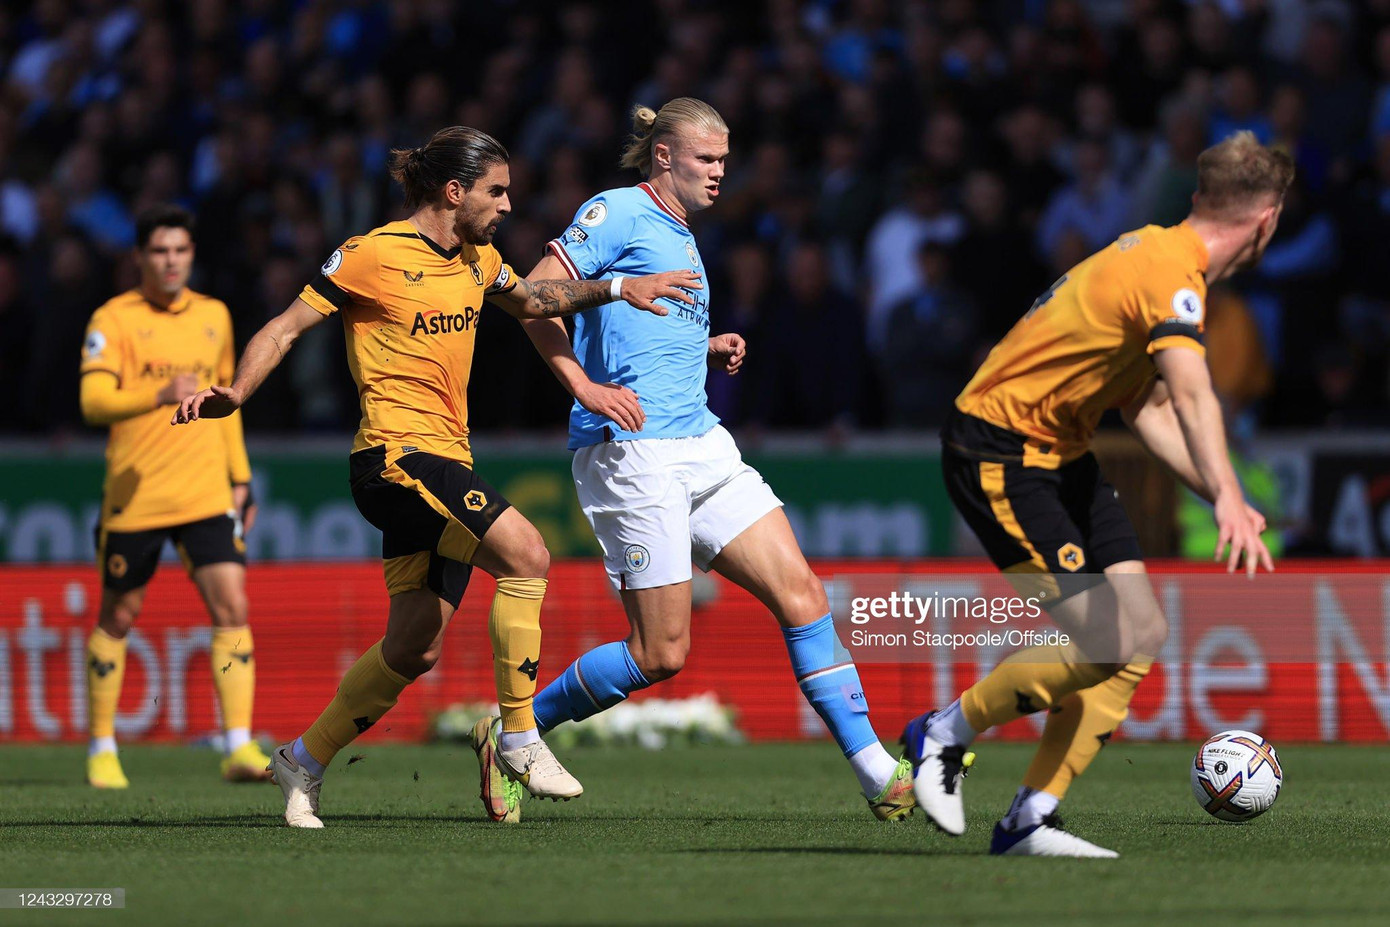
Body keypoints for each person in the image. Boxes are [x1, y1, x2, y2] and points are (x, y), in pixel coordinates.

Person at [173, 126, 698, 828]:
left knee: (414, 645)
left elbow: (537, 303)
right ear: (454, 192)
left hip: (446, 461)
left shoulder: (478, 258)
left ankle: (304, 757)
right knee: (528, 553)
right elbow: (284, 328)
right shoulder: (371, 255)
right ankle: (518, 735)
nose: (509, 205)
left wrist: (620, 286)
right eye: (496, 191)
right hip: (394, 459)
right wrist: (236, 393)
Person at [520, 98, 916, 822]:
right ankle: (517, 729)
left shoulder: (682, 231)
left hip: (702, 442)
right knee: (662, 652)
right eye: (707, 159)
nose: (719, 173)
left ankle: (878, 773)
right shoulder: (617, 211)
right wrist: (584, 378)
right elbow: (528, 294)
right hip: (632, 452)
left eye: (725, 161)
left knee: (803, 593)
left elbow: (641, 334)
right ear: (665, 156)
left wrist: (704, 347)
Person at [905, 131, 1289, 857]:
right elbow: (1193, 394)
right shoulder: (1173, 277)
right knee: (1106, 635)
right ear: (1266, 220)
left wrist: (1214, 493)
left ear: (1200, 197)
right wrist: (1233, 493)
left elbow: (1143, 407)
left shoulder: (1150, 251)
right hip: (998, 450)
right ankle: (940, 732)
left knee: (1139, 634)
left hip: (1060, 451)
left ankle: (1030, 817)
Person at [79, 204, 268, 788]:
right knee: (120, 613)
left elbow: (226, 404)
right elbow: (92, 403)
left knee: (232, 606)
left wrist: (240, 476)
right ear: (139, 257)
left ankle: (238, 745)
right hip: (136, 494)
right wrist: (159, 391)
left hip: (206, 489)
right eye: (159, 251)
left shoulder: (214, 315)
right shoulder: (112, 318)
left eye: (179, 251)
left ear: (191, 256)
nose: (170, 262)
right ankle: (102, 746)